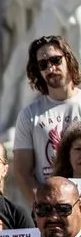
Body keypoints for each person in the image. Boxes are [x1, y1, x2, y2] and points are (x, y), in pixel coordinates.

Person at [13, 35, 81, 200]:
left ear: (69, 59)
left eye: (56, 60)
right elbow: (22, 172)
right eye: (43, 64)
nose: (51, 68)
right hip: (51, 208)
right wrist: (43, 207)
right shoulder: (29, 114)